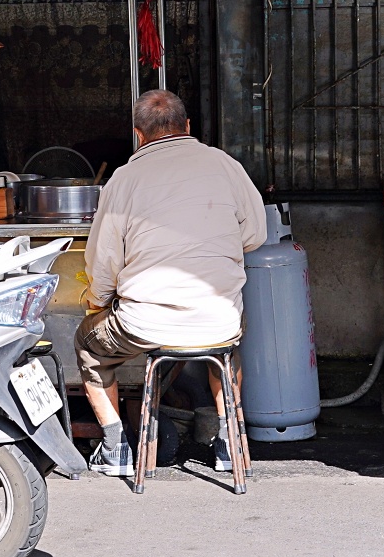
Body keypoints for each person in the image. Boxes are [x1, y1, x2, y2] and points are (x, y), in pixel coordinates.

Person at [76, 90, 266, 476]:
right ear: (188, 126)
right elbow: (255, 234)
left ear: (138, 135)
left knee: (87, 345)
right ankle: (229, 444)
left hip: (143, 326)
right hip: (219, 319)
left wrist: (98, 301)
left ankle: (115, 448)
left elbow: (103, 262)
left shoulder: (123, 180)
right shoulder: (226, 166)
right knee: (227, 349)